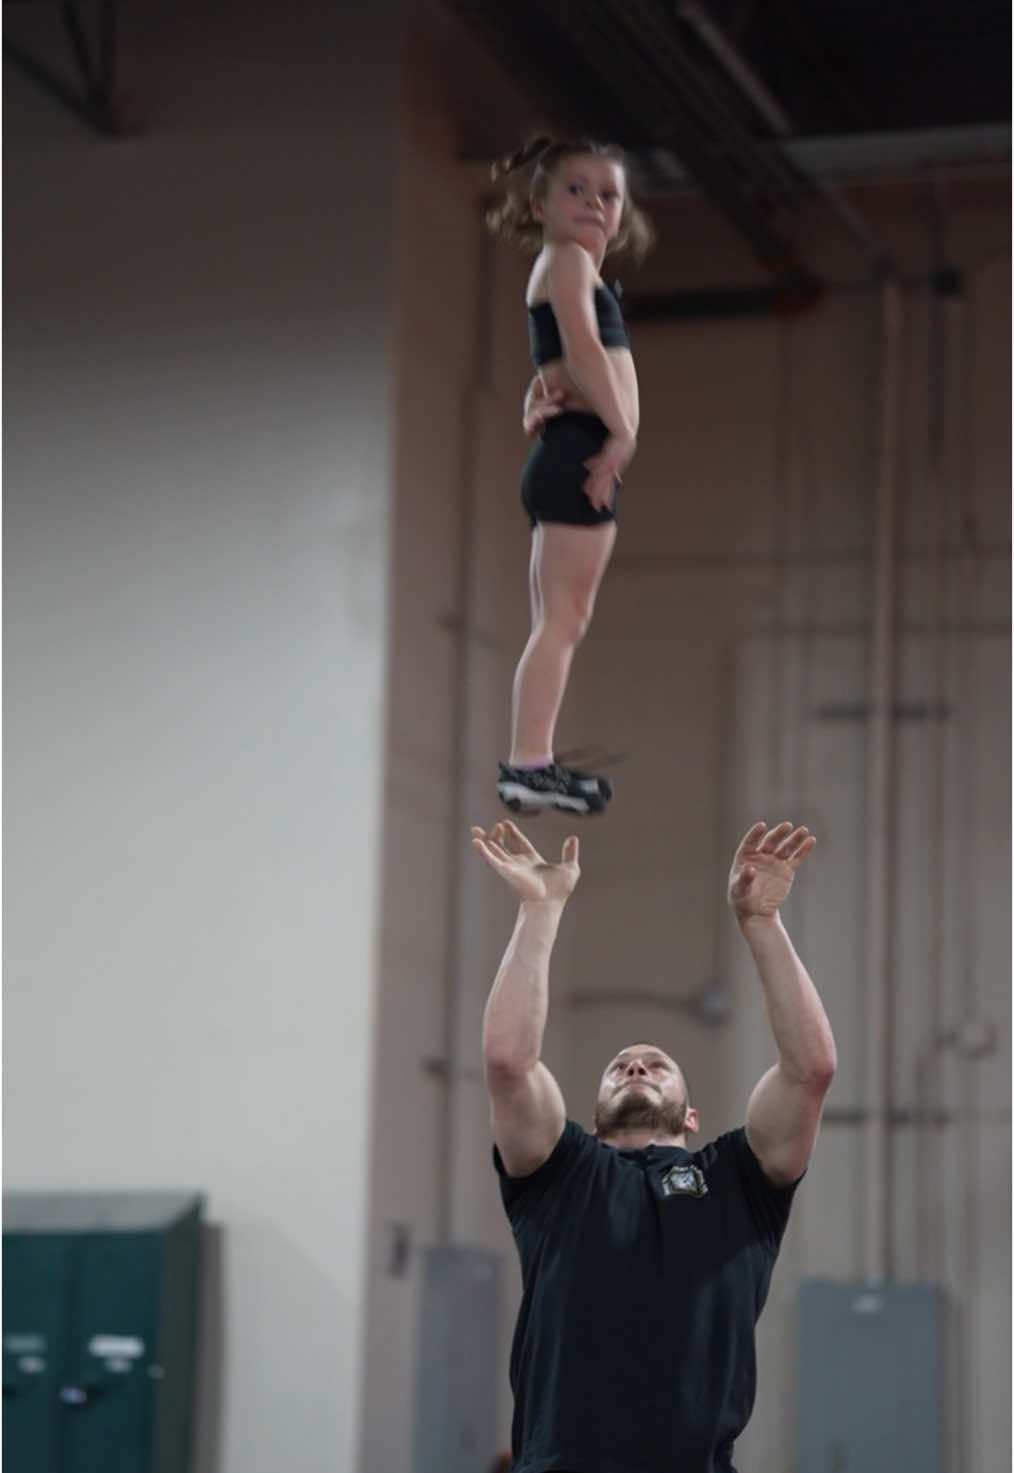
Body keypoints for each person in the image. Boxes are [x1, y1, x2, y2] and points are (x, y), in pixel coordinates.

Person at [471, 817, 837, 1473]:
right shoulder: (560, 1175)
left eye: (655, 1063)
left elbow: (810, 1070)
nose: (636, 1067)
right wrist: (539, 908)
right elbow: (507, 1060)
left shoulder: (736, 1181)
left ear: (691, 1114)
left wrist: (762, 923)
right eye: (620, 1064)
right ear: (588, 1111)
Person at [486, 137, 654, 816]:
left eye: (607, 194)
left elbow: (558, 356)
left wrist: (540, 391)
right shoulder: (561, 261)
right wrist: (620, 431)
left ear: (622, 213)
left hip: (569, 447)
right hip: (580, 451)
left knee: (558, 620)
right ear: (539, 206)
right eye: (575, 190)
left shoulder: (568, 267)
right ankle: (529, 764)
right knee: (561, 620)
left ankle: (535, 758)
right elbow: (582, 351)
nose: (594, 203)